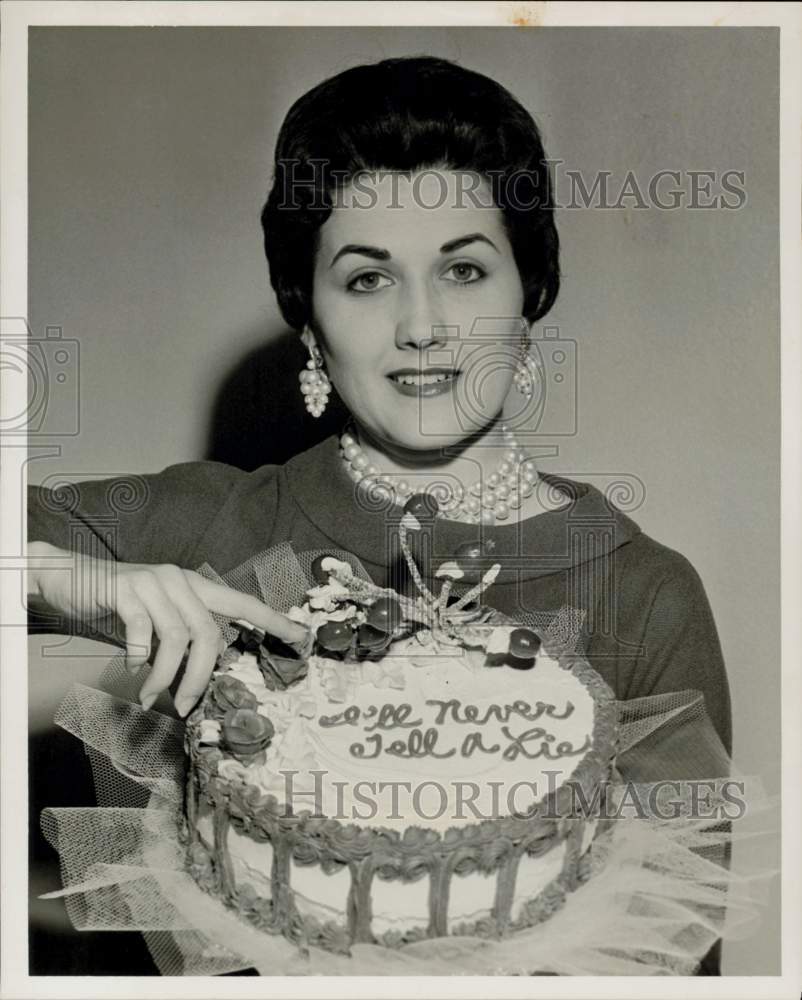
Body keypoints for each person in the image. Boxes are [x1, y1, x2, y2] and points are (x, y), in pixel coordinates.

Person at [27, 56, 731, 974]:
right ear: (310, 320)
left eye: (466, 270)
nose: (422, 324)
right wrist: (63, 579)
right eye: (367, 280)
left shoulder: (646, 592)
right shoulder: (208, 522)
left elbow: (674, 953)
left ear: (531, 296)